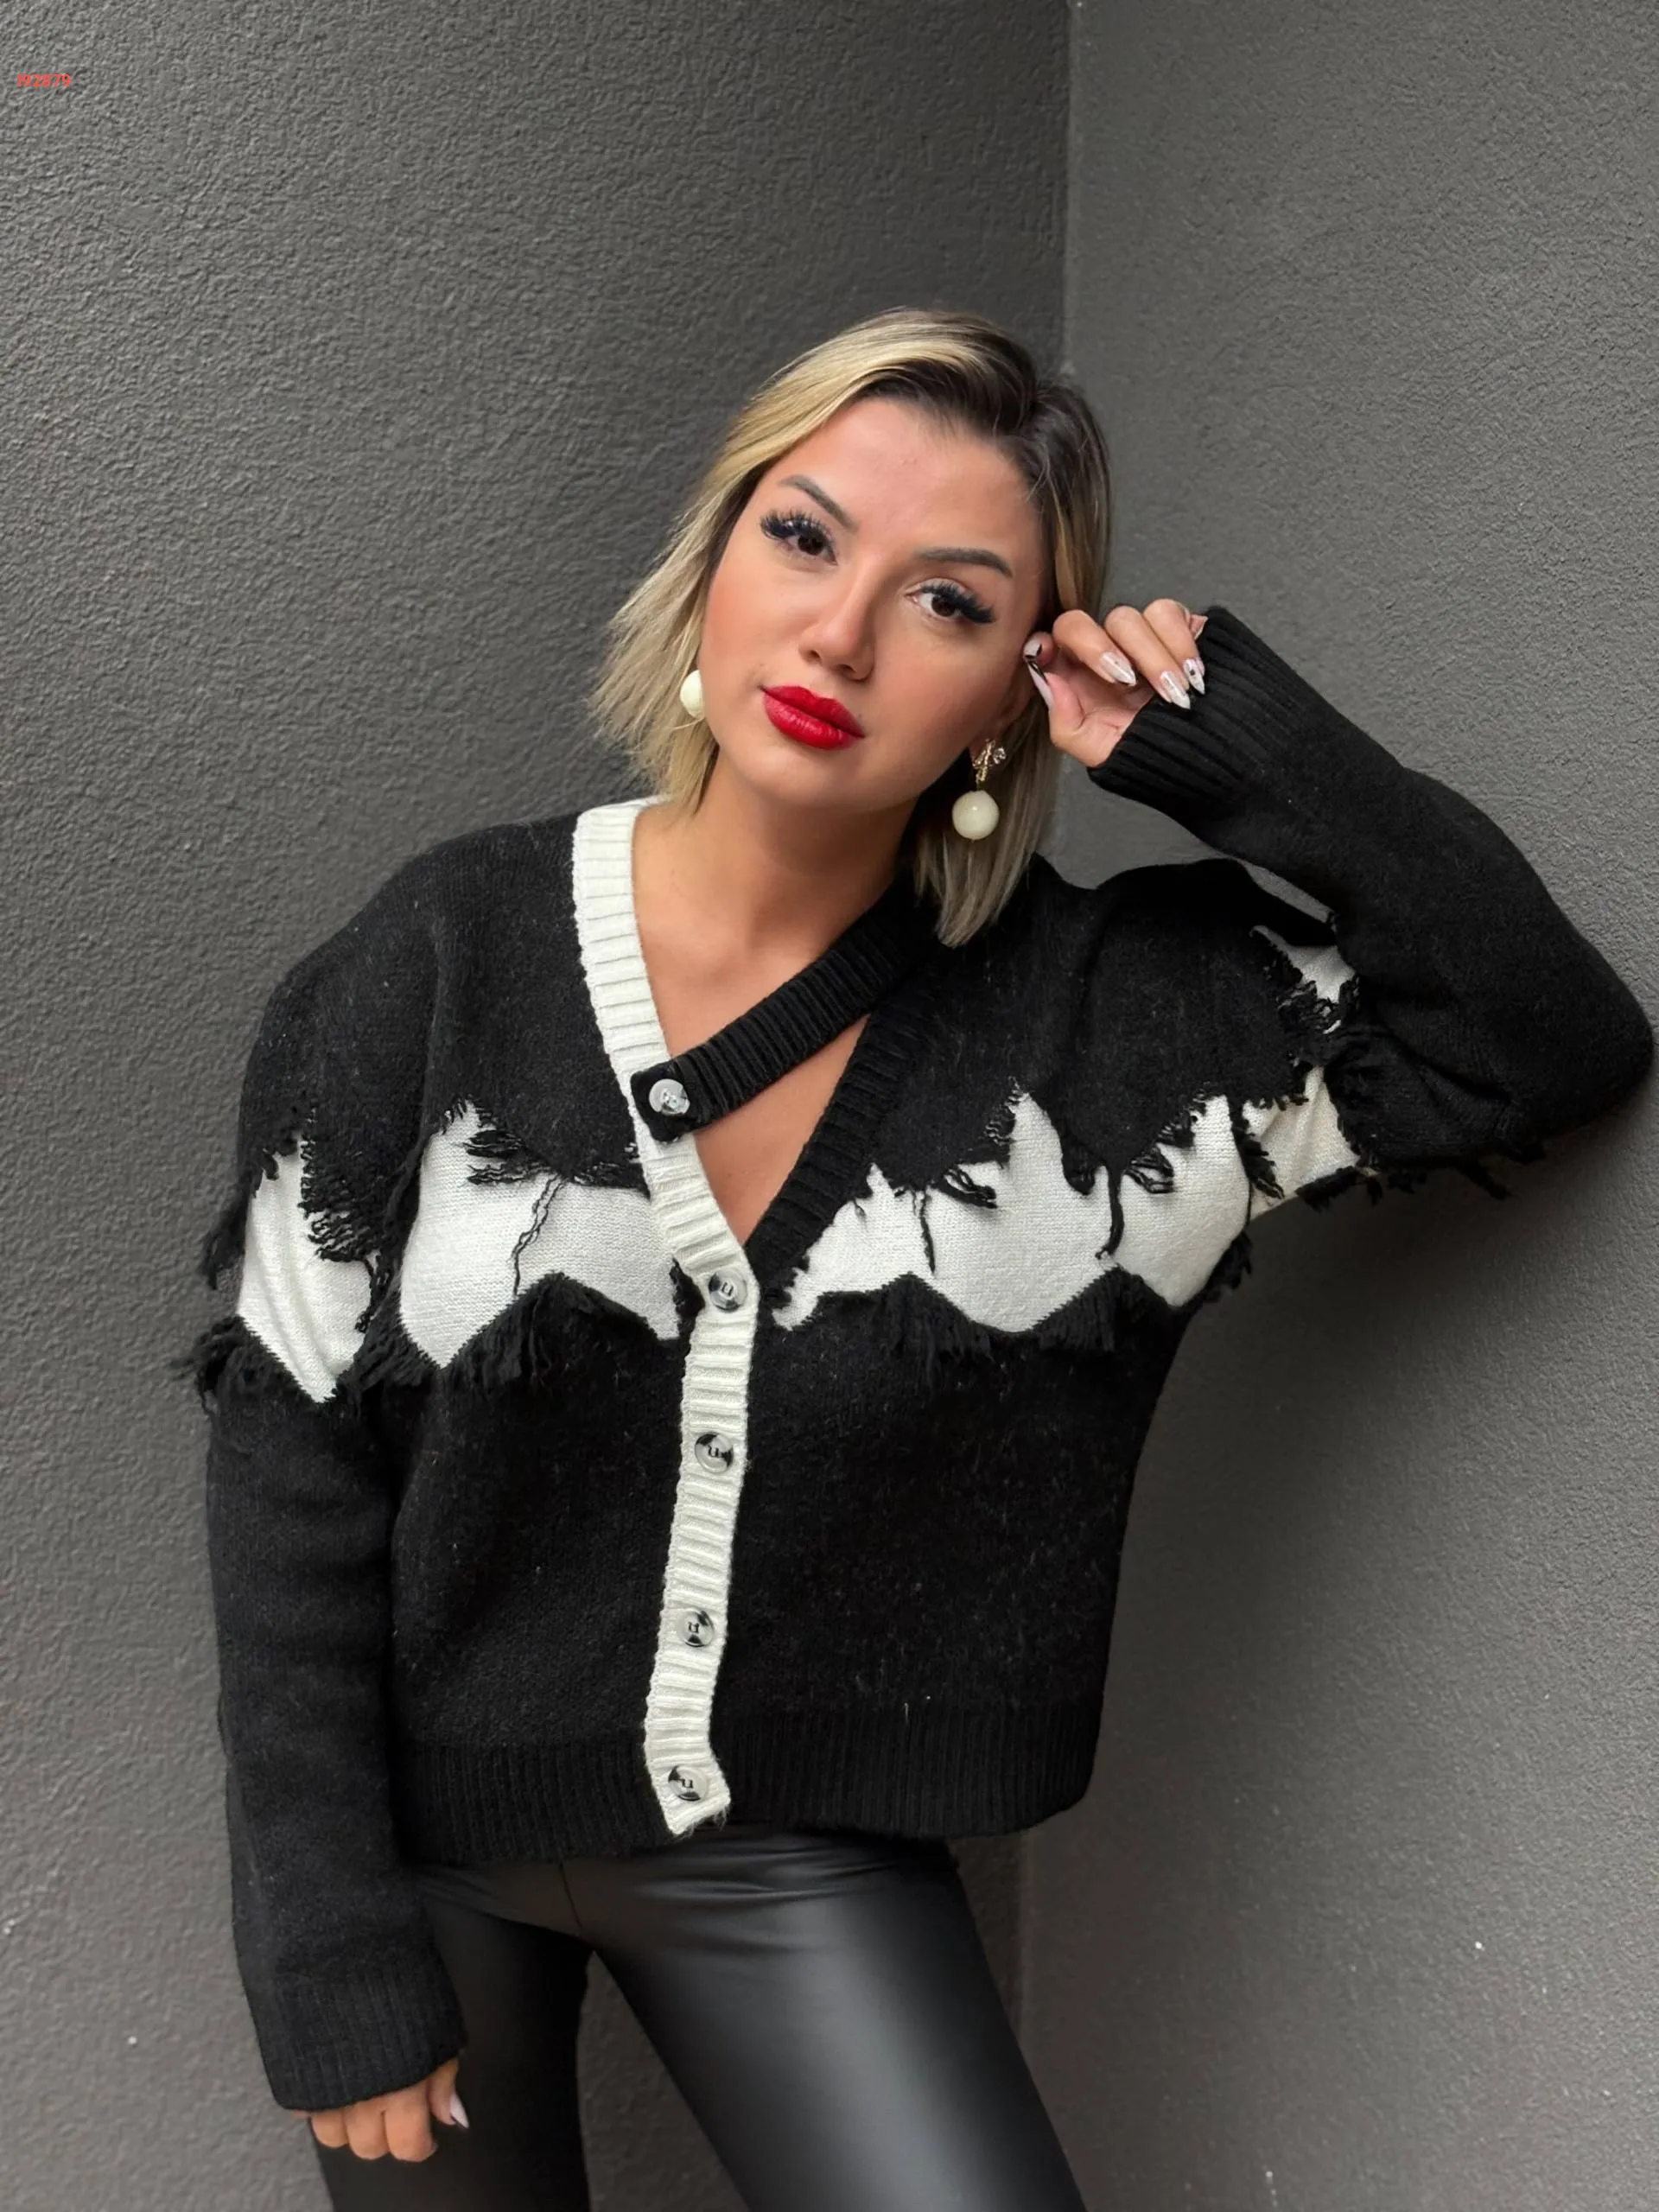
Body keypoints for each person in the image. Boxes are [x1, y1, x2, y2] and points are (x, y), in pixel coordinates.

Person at [175, 306, 1652, 2209]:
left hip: (793, 1851)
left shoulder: (1111, 1025)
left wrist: (1233, 745)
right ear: (714, 559)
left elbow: (1542, 1038)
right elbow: (287, 1459)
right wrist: (322, 1945)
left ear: (1016, 690)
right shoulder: (440, 953)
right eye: (803, 539)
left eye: (948, 601)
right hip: (413, 1846)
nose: (841, 637)